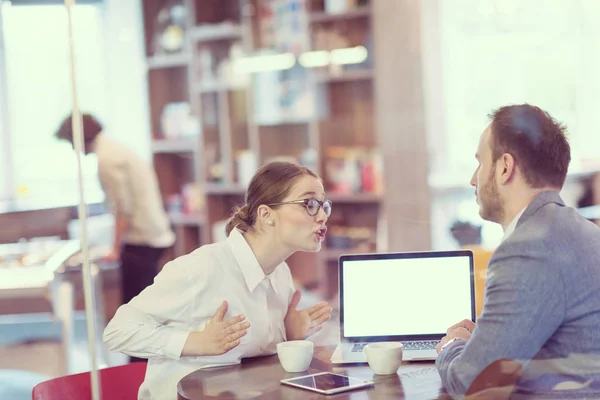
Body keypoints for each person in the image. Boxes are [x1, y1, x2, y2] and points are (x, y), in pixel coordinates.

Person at [103, 161, 333, 400]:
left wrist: (289, 335)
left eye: (324, 205)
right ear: (266, 215)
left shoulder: (280, 273)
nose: (322, 216)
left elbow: (252, 360)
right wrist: (195, 342)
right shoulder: (202, 268)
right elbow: (118, 331)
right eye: (310, 204)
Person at [435, 104, 600, 397]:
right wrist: (486, 341)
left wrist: (452, 345)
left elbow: (474, 385)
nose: (474, 179)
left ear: (504, 167)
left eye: (480, 164)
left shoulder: (528, 249)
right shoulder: (581, 232)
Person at [55, 114, 175, 362]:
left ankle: (139, 366)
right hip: (153, 234)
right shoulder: (115, 149)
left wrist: (114, 247)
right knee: (144, 307)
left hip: (142, 239)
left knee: (135, 311)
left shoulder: (107, 160)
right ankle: (141, 362)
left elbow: (124, 209)